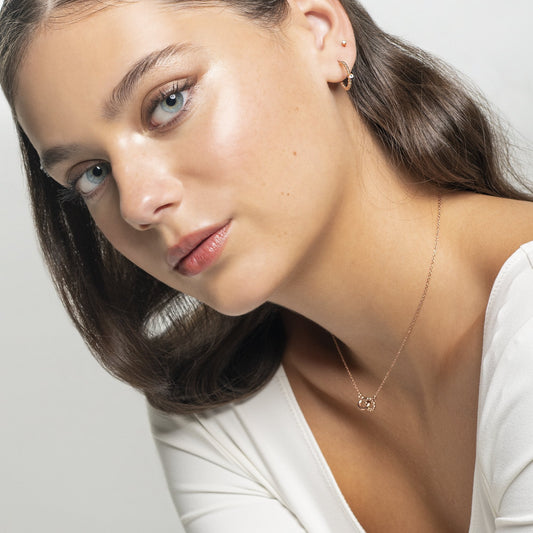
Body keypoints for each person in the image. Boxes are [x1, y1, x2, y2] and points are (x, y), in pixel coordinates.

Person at [1, 0, 532, 530]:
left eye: (168, 101)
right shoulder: (215, 402)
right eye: (92, 173)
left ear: (320, 33)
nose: (138, 204)